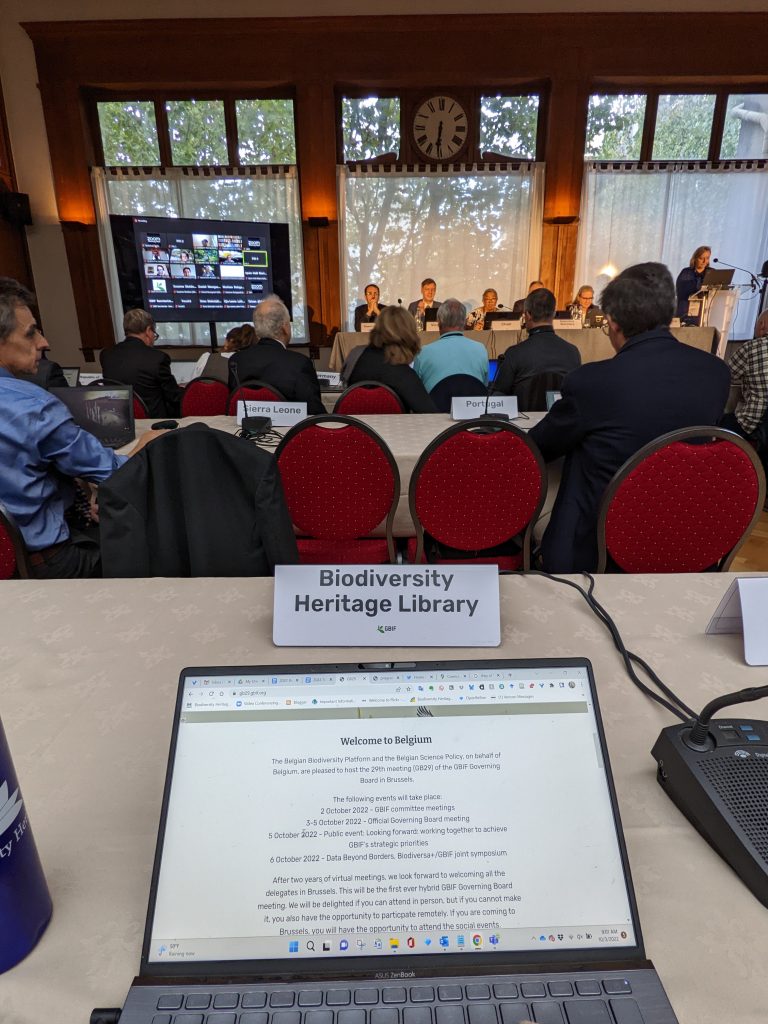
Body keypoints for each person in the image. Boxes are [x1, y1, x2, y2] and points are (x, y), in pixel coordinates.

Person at [529, 262, 731, 573]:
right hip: (684, 540)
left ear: (611, 321)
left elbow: (538, 448)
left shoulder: (592, 382)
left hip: (597, 549)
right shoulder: (716, 375)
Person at [0, 278, 159, 578]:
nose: (44, 342)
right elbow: (115, 472)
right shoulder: (34, 407)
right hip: (47, 564)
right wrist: (147, 443)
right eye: (31, 332)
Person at [228, 294, 324, 414]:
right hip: (288, 431)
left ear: (257, 331)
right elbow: (315, 412)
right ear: (285, 328)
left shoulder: (236, 360)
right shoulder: (299, 363)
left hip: (246, 429)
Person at [492, 288, 581, 409]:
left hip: (523, 426)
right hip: (560, 425)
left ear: (527, 315)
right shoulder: (572, 352)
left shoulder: (515, 354)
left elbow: (498, 397)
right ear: (554, 314)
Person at [346, 306, 438, 413]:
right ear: (409, 334)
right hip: (393, 429)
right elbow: (430, 415)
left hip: (355, 428)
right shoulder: (404, 375)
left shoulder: (355, 356)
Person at [101, 308, 183, 418]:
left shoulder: (106, 355)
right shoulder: (158, 358)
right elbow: (174, 396)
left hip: (119, 420)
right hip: (153, 424)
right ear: (148, 331)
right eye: (154, 333)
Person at [413, 298, 488, 393]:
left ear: (439, 322)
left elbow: (415, 391)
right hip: (471, 407)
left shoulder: (423, 353)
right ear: (464, 322)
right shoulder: (481, 350)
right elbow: (484, 387)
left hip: (434, 407)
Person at [675, 245, 711, 321]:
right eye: (701, 258)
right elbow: (682, 292)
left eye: (707, 258)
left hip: (705, 314)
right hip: (686, 312)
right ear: (695, 258)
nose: (705, 261)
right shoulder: (686, 272)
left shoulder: (711, 272)